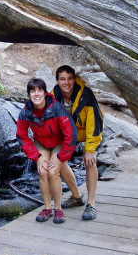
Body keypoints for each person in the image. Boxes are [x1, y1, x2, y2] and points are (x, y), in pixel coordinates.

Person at [16, 78, 77, 224]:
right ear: (29, 94)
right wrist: (37, 156)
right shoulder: (26, 112)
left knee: (53, 170)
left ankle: (58, 209)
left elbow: (71, 133)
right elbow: (22, 136)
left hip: (59, 142)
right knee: (43, 171)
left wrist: (61, 156)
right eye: (32, 91)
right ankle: (47, 208)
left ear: (44, 92)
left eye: (39, 90)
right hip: (41, 143)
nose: (36, 94)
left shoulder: (57, 108)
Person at [52, 65, 103, 220]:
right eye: (62, 79)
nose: (66, 83)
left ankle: (91, 204)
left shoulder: (85, 94)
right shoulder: (55, 93)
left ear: (74, 79)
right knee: (56, 160)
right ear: (57, 81)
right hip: (69, 134)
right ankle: (76, 196)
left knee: (90, 161)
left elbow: (95, 121)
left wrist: (90, 149)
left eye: (69, 78)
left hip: (89, 132)